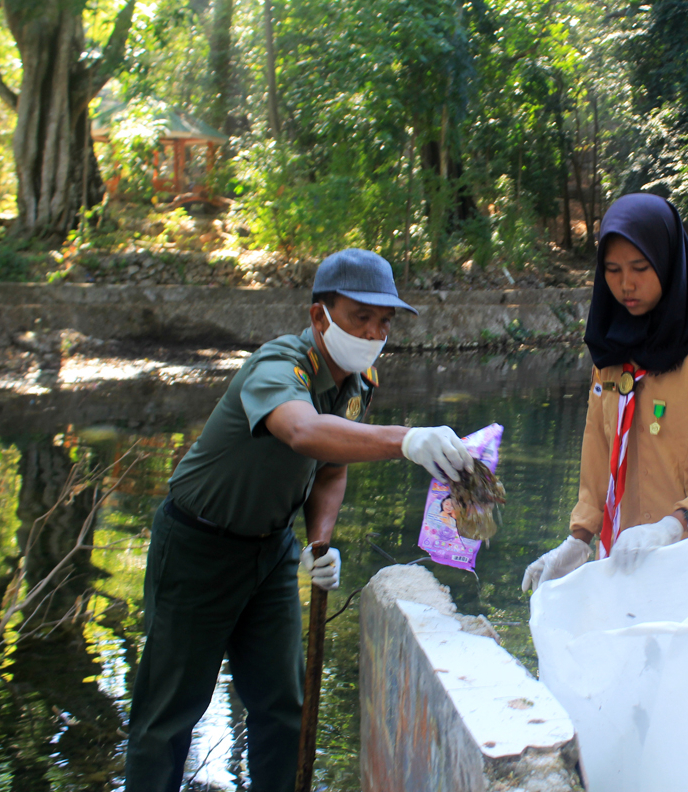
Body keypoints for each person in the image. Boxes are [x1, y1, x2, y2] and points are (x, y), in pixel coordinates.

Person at [124, 249, 474, 792]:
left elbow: (331, 467)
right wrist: (407, 440)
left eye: (384, 322)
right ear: (319, 316)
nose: (375, 332)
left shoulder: (360, 384)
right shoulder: (279, 364)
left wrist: (320, 543)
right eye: (360, 317)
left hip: (271, 551)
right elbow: (304, 432)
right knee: (168, 713)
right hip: (198, 545)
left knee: (283, 705)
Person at [522, 192, 688, 591]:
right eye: (613, 270)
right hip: (625, 562)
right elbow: (599, 450)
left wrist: (675, 524)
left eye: (639, 267)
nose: (625, 284)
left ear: (668, 262)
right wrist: (580, 537)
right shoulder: (610, 350)